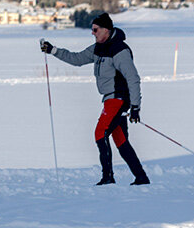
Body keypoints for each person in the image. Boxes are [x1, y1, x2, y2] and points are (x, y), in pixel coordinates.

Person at [41, 12, 150, 186]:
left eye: (95, 30)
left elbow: (133, 78)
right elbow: (76, 59)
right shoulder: (97, 48)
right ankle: (141, 177)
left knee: (100, 133)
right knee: (121, 141)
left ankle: (108, 177)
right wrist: (53, 50)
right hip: (110, 99)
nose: (93, 33)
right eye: (92, 30)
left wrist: (136, 106)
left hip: (118, 99)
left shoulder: (119, 50)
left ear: (106, 30)